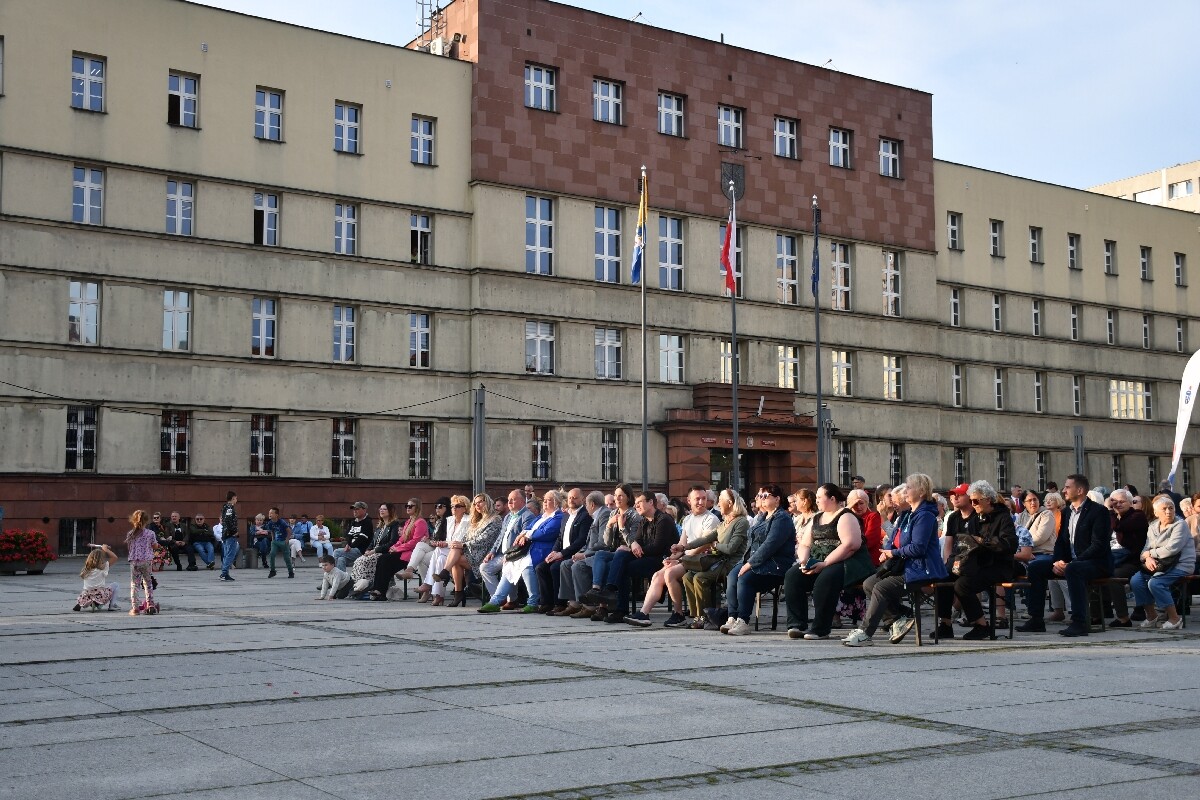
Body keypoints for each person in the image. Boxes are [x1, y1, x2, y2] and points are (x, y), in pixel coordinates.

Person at [843, 473, 947, 646]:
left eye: (909, 487)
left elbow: (918, 548)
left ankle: (866, 632)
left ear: (921, 492)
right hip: (904, 566)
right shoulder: (908, 515)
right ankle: (899, 617)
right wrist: (888, 550)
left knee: (882, 588)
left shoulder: (925, 516)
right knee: (869, 583)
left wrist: (893, 553)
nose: (905, 491)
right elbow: (894, 539)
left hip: (922, 569)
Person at [1019, 474, 1113, 637]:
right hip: (1072, 562)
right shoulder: (1067, 512)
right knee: (1036, 568)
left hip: (1096, 563)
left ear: (1080, 490)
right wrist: (1057, 561)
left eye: (1068, 487)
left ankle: (1079, 622)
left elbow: (1099, 545)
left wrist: (1073, 563)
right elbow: (1061, 541)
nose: (1064, 490)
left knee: (1074, 569)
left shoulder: (1099, 512)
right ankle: (1036, 620)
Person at [783, 483, 872, 639]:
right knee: (792, 576)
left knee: (825, 579)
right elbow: (805, 543)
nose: (816, 501)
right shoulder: (817, 517)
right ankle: (797, 624)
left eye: (819, 497)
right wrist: (804, 562)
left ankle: (821, 629)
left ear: (832, 498)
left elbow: (850, 545)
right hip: (820, 561)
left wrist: (825, 564)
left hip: (847, 563)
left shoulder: (846, 516)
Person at [931, 480, 1016, 640]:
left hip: (998, 566)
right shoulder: (979, 516)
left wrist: (983, 542)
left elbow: (1009, 544)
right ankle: (945, 624)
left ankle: (981, 625)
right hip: (979, 564)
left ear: (988, 500)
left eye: (975, 501)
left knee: (963, 584)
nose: (973, 504)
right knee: (943, 576)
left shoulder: (1002, 517)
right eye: (971, 500)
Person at [626, 486, 718, 627]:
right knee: (658, 574)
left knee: (670, 573)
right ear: (689, 501)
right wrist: (672, 557)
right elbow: (682, 544)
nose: (701, 502)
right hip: (688, 560)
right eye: (697, 499)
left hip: (703, 560)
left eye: (703, 498)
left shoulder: (710, 519)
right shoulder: (687, 519)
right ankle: (643, 614)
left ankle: (678, 614)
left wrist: (681, 559)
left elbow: (704, 545)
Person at [721, 484, 795, 636]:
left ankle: (743, 621)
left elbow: (770, 545)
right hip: (755, 561)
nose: (761, 499)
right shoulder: (761, 517)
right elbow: (751, 543)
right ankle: (732, 617)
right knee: (732, 576)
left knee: (745, 579)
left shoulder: (782, 518)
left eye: (765, 496)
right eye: (759, 496)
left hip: (774, 565)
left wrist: (749, 564)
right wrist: (743, 562)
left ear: (777, 499)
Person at [479, 490, 565, 613]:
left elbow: (547, 532)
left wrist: (527, 535)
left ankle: (533, 602)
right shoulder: (542, 516)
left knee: (527, 566)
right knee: (510, 565)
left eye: (549, 500)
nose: (545, 503)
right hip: (530, 549)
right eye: (544, 500)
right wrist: (523, 534)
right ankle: (496, 601)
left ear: (557, 502)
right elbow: (528, 528)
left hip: (543, 549)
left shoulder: (558, 516)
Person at [682, 488, 749, 629]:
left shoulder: (741, 522)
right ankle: (697, 616)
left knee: (699, 578)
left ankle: (707, 617)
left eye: (720, 501)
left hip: (730, 564)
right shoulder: (723, 523)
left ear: (730, 503)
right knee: (687, 576)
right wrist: (684, 547)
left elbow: (731, 549)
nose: (717, 504)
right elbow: (705, 539)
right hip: (718, 562)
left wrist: (716, 545)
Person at [1129, 495, 1195, 629]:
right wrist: (1147, 558)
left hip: (1180, 565)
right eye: (1164, 509)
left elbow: (1172, 549)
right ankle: (1152, 616)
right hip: (1160, 565)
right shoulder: (1153, 526)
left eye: (1171, 508)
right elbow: (1146, 548)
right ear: (1156, 513)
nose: (1168, 511)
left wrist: (1150, 554)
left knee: (1156, 583)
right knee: (1136, 581)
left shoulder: (1180, 524)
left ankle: (1175, 618)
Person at [574, 484, 637, 621]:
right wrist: (609, 525)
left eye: (621, 495)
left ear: (628, 497)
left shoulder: (634, 515)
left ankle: (604, 607)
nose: (617, 498)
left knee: (610, 564)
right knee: (600, 555)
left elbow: (633, 541)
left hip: (629, 551)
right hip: (614, 551)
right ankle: (596, 590)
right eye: (615, 495)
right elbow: (607, 543)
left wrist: (621, 527)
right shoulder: (613, 513)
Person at [554, 491, 614, 617]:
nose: (586, 507)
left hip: (600, 555)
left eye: (586, 504)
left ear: (592, 504)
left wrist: (585, 554)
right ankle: (574, 603)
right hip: (591, 552)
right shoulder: (596, 516)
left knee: (577, 566)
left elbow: (603, 543)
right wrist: (580, 552)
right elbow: (588, 543)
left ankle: (589, 606)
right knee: (565, 564)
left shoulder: (604, 514)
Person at [539, 488, 592, 614]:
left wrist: (561, 554)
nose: (571, 500)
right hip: (561, 553)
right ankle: (547, 602)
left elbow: (581, 541)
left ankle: (560, 603)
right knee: (541, 567)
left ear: (582, 500)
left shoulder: (585, 516)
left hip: (574, 554)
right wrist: (553, 552)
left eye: (575, 498)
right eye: (569, 498)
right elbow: (560, 537)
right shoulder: (566, 515)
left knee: (555, 568)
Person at [480, 490, 535, 602]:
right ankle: (500, 597)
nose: (509, 502)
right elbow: (500, 537)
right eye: (509, 499)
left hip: (518, 554)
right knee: (485, 567)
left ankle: (508, 600)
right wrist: (492, 552)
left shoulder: (527, 516)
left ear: (521, 501)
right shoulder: (508, 517)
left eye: (513, 499)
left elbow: (524, 538)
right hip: (503, 554)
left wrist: (510, 555)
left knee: (508, 566)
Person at [1107, 488, 1148, 627]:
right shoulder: (1111, 516)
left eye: (1121, 501)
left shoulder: (1137, 515)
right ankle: (1096, 614)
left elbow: (1118, 526)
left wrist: (1111, 511)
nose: (1117, 504)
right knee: (1090, 571)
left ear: (1130, 503)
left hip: (1131, 561)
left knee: (1115, 577)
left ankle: (1123, 618)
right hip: (1112, 558)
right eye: (1115, 502)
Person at [456, 493, 502, 603]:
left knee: (455, 559)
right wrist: (459, 543)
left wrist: (464, 545)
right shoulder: (477, 520)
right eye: (475, 503)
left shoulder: (495, 519)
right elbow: (465, 537)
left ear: (488, 502)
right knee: (455, 552)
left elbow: (484, 539)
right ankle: (460, 591)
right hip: (473, 552)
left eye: (481, 501)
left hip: (485, 554)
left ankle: (459, 591)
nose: (477, 505)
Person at [401, 497, 449, 598]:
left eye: (440, 506)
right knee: (420, 545)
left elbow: (447, 540)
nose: (437, 509)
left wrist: (431, 541)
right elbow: (435, 539)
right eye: (435, 506)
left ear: (447, 507)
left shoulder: (450, 521)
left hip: (446, 550)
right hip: (436, 548)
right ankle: (411, 571)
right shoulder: (439, 521)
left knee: (421, 556)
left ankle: (426, 588)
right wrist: (429, 540)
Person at [426, 496, 469, 605]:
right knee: (440, 558)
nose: (454, 508)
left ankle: (431, 585)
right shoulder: (450, 520)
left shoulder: (468, 520)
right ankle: (438, 593)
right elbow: (450, 540)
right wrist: (445, 543)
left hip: (463, 550)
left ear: (465, 508)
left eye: (458, 506)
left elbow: (463, 541)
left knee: (439, 552)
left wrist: (446, 543)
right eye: (452, 506)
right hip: (451, 550)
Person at [351, 503, 400, 596]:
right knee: (358, 561)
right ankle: (358, 586)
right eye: (380, 509)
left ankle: (367, 585)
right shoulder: (380, 526)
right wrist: (368, 550)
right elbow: (372, 542)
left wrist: (375, 550)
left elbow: (392, 542)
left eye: (384, 509)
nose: (381, 511)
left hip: (384, 552)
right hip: (373, 552)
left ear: (390, 511)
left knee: (364, 561)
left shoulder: (394, 525)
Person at [126, 510, 158, 615]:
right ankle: (150, 605)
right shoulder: (150, 533)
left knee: (135, 585)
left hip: (134, 562)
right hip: (147, 561)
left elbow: (129, 548)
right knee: (148, 583)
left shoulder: (131, 534)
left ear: (133, 520)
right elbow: (154, 546)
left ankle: (135, 608)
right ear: (146, 520)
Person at [74, 543, 121, 612]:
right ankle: (112, 605)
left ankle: (84, 602)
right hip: (100, 595)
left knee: (86, 591)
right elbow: (115, 558)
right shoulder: (103, 567)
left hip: (87, 595)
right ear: (101, 559)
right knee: (116, 585)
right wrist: (106, 550)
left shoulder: (86, 569)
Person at [335, 502, 373, 572]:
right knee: (341, 559)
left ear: (364, 510)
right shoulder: (354, 522)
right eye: (354, 509)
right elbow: (349, 535)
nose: (354, 511)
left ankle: (331, 576)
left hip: (362, 550)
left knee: (336, 552)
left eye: (357, 509)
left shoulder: (367, 522)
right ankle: (342, 580)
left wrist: (351, 546)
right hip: (352, 549)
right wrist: (348, 545)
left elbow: (362, 538)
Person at [264, 507, 293, 579]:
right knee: (272, 554)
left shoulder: (282, 522)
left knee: (286, 558)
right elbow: (272, 531)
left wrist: (287, 539)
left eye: (271, 513)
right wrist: (273, 540)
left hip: (283, 541)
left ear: (276, 515)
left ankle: (291, 572)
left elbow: (289, 531)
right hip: (275, 541)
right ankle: (272, 570)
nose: (270, 515)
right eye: (269, 513)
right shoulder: (270, 523)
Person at [218, 491, 240, 582]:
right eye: (236, 498)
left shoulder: (225, 507)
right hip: (230, 534)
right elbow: (228, 520)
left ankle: (225, 573)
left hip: (225, 533)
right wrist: (234, 531)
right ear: (233, 498)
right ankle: (224, 573)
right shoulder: (230, 507)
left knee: (227, 554)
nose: (236, 500)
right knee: (230, 554)